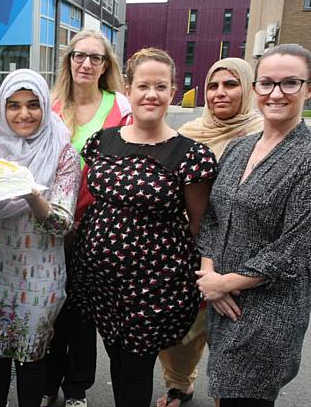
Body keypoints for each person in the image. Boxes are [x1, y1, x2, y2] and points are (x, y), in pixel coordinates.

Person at [67, 48, 216, 407]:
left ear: (173, 92)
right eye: (144, 85)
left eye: (161, 86)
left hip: (153, 286)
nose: (152, 94)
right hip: (100, 281)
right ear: (128, 89)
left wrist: (205, 276)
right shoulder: (102, 141)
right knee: (116, 358)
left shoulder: (190, 155)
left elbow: (200, 224)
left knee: (135, 367)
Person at [0, 69, 80, 407]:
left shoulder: (62, 152)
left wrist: (29, 193)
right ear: (1, 108)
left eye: (33, 105)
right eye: (13, 106)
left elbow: (62, 224)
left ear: (44, 106)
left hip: (38, 275)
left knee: (31, 357)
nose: (24, 114)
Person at [196, 43, 311, 407]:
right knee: (224, 391)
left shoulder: (306, 157)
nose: (276, 93)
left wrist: (223, 283)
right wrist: (209, 274)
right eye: (267, 83)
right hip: (222, 302)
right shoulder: (238, 148)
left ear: (308, 89)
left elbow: (295, 246)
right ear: (256, 88)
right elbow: (213, 217)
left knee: (246, 397)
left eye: (290, 83)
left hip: (268, 310)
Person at [156, 57, 263, 407]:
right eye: (213, 86)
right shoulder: (187, 135)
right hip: (187, 251)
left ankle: (225, 395)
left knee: (231, 336)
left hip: (240, 260)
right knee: (178, 333)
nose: (220, 93)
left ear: (248, 89)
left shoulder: (265, 135)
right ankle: (180, 384)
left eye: (231, 85)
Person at [44, 29, 132, 407]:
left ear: (105, 65)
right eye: (79, 55)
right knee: (50, 305)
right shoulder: (50, 105)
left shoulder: (120, 106)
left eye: (95, 58)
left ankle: (77, 387)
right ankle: (47, 383)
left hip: (97, 226)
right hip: (50, 222)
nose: (86, 63)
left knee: (82, 312)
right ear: (69, 60)